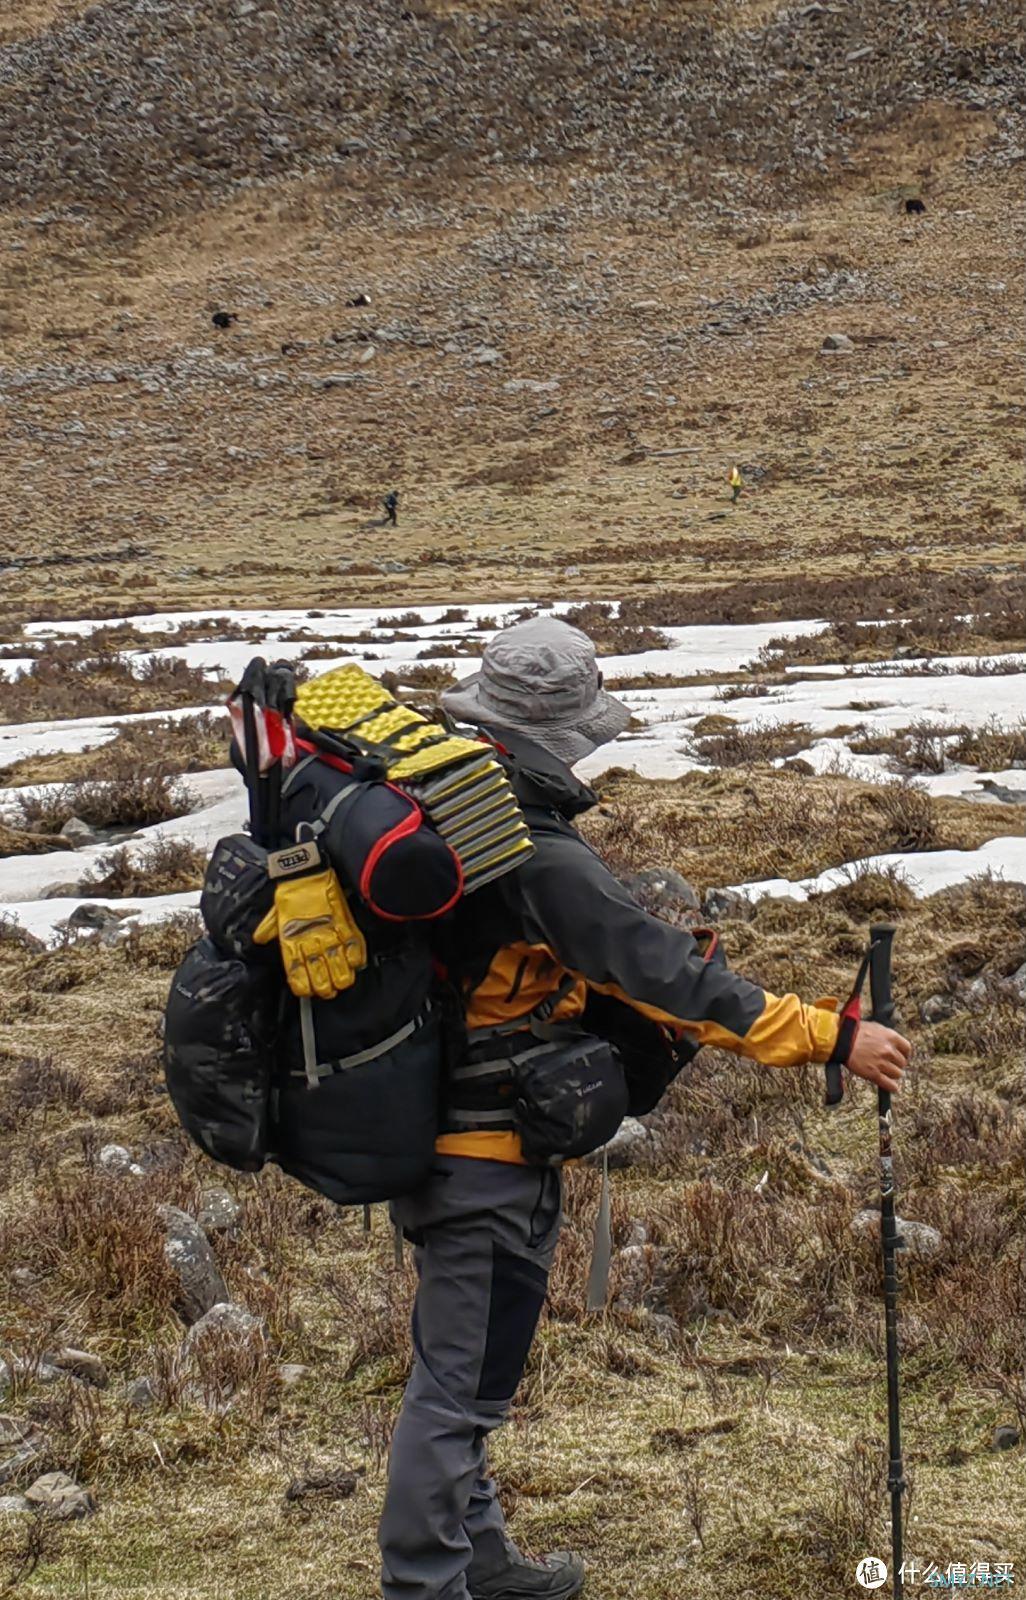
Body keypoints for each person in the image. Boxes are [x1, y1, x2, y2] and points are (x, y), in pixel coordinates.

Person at [378, 617, 911, 1600]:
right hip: (479, 1152)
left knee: (482, 1368)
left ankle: (479, 1555)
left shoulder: (454, 810)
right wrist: (832, 1038)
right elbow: (664, 973)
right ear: (554, 732)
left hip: (481, 1140)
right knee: (454, 1388)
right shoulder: (529, 852)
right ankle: (422, 1582)